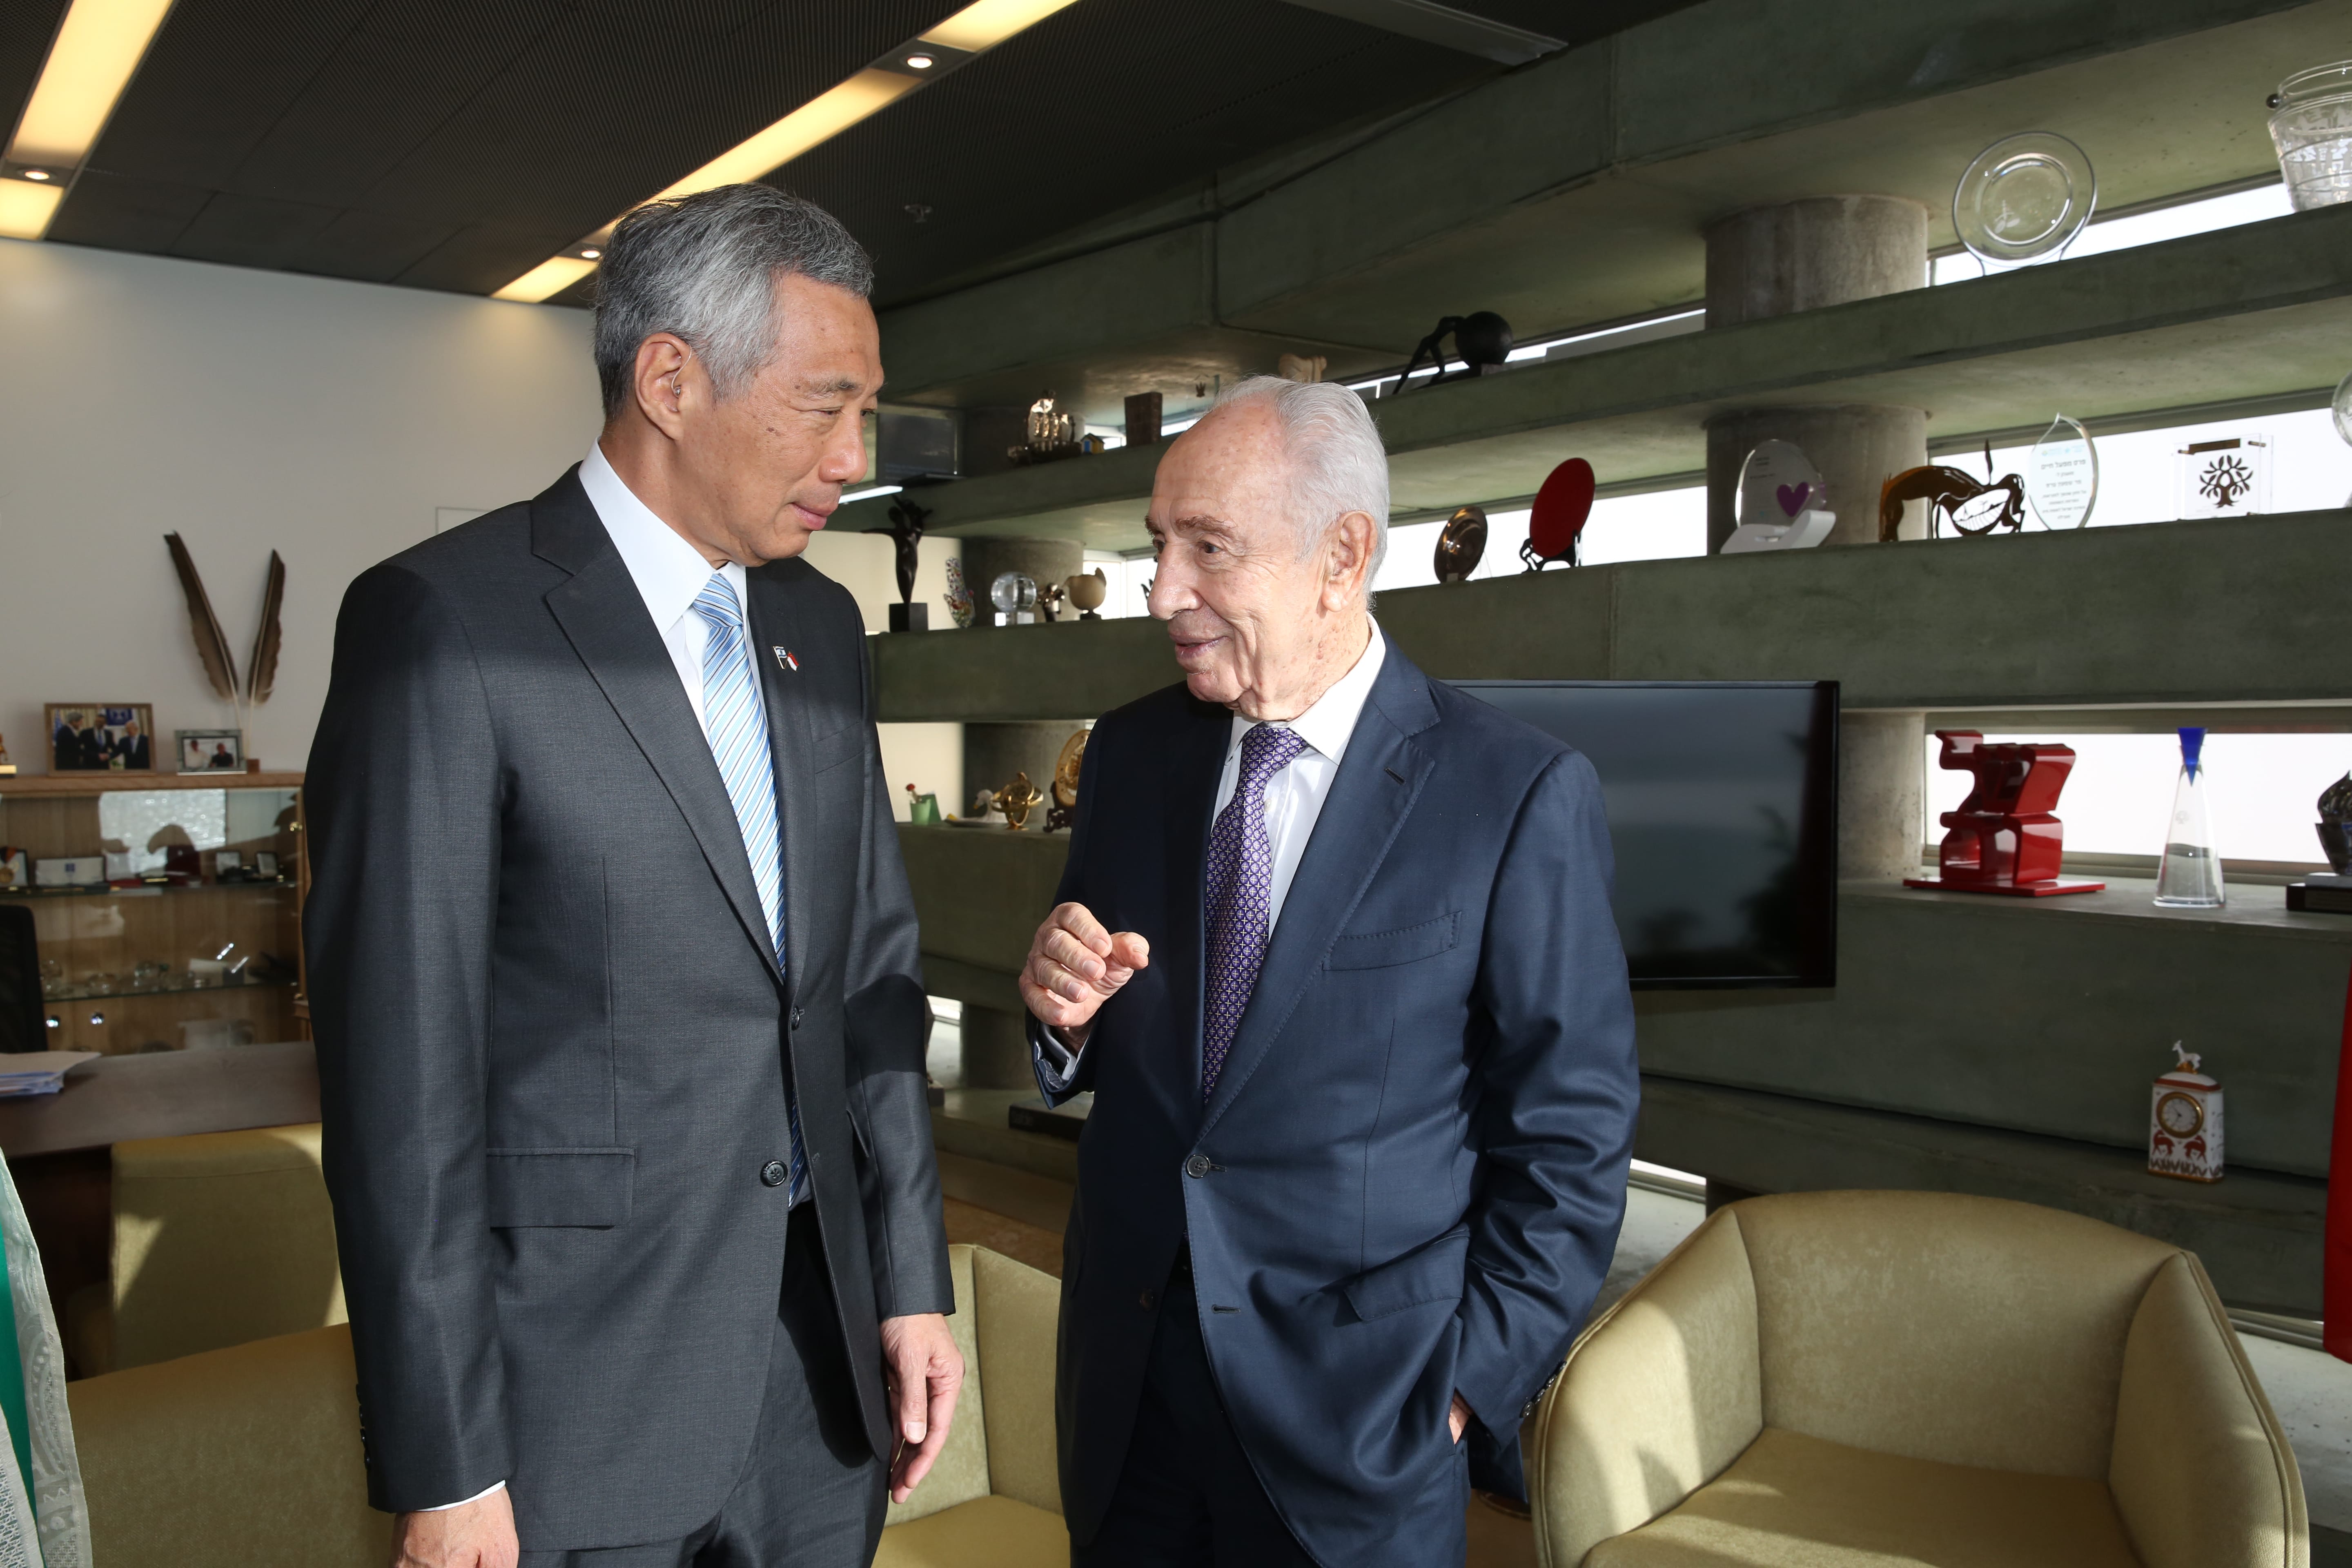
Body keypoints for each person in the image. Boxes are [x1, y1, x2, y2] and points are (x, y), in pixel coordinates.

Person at [305, 185, 959, 1568]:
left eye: (869, 409)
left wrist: (911, 1280)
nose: (857, 453)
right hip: (571, 1406)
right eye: (824, 403)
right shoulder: (443, 624)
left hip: (820, 1392)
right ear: (670, 377)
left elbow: (872, 982)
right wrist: (447, 1461)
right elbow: (399, 1078)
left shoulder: (822, 626)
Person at [1019, 377, 1639, 1567]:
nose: (1163, 592)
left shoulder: (1513, 794)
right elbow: (1116, 1039)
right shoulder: (1132, 753)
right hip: (1130, 1387)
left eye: (1210, 548)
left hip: (1367, 1418)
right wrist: (1064, 1017)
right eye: (1158, 544)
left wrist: (1463, 1387)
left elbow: (1570, 1136)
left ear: (1341, 554)